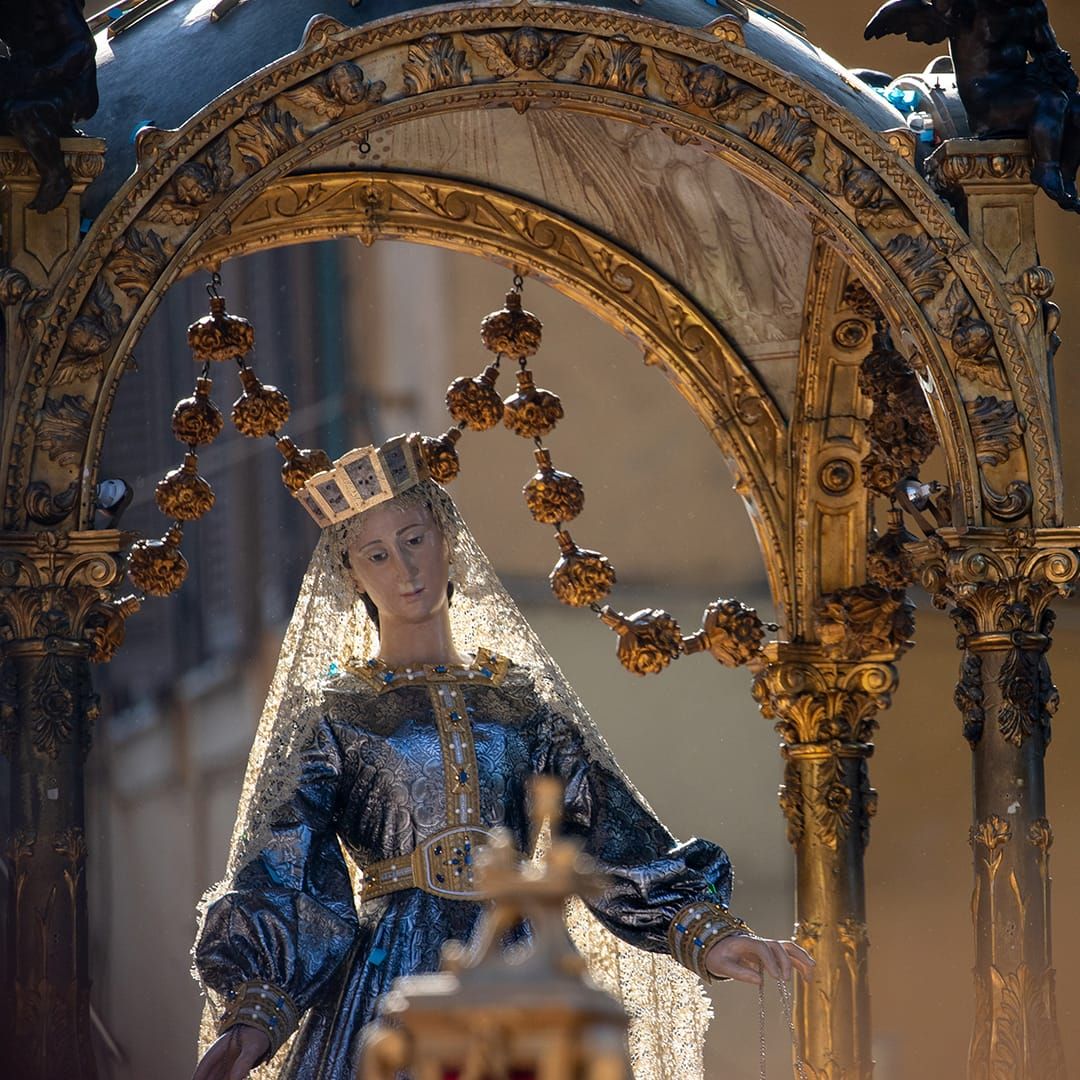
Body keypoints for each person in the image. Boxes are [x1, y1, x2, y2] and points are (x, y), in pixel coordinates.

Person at [191, 434, 813, 1080]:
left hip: (524, 965)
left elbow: (605, 824)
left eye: (414, 539)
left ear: (447, 540)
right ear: (353, 575)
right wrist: (254, 1013)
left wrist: (706, 932)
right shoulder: (336, 717)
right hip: (387, 984)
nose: (405, 569)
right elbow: (285, 864)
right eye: (377, 554)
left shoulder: (518, 702)